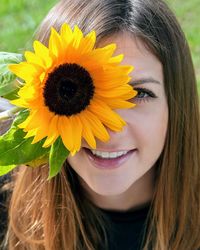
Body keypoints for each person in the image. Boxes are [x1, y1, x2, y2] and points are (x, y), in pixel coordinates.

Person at [0, 0, 200, 249]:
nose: (108, 129)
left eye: (138, 93)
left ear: (176, 102)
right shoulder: (6, 203)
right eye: (74, 92)